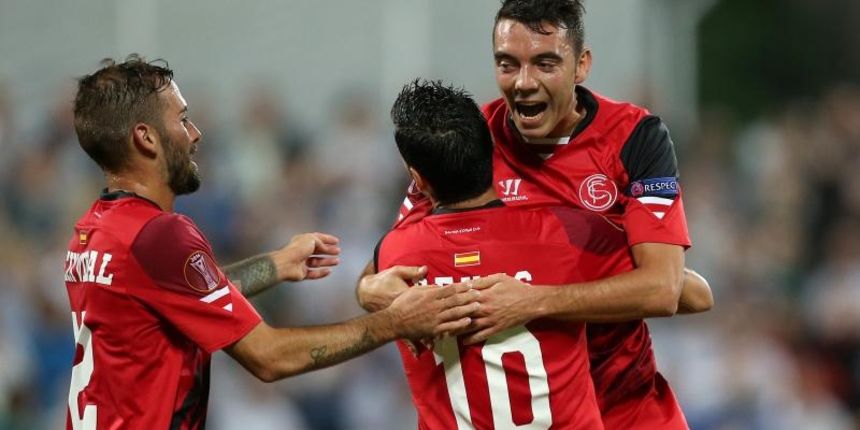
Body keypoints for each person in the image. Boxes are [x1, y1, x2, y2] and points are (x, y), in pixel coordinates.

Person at [64, 55, 479, 430]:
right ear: (146, 138)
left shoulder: (94, 232)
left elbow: (180, 296)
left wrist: (275, 265)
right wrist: (396, 322)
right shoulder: (161, 235)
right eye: (183, 119)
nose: (195, 133)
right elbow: (269, 357)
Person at [357, 1, 713, 428]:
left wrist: (533, 301)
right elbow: (388, 266)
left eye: (545, 63)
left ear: (581, 65)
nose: (524, 82)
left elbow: (664, 289)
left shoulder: (635, 138)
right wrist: (372, 292)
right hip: (532, 416)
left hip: (627, 406)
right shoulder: (473, 140)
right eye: (508, 64)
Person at [378, 79, 615, 429]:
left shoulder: (395, 253)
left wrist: (367, 291)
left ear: (419, 179)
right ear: (492, 152)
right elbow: (678, 291)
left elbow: (369, 283)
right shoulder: (567, 232)